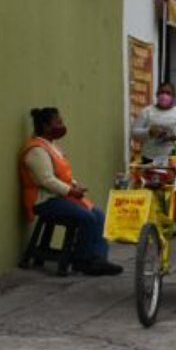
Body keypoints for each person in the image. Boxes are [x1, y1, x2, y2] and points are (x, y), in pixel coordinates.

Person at [19, 108, 122, 276]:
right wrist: (70, 191)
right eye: (57, 123)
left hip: (60, 197)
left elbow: (62, 175)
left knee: (99, 215)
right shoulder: (36, 150)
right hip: (44, 201)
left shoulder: (52, 147)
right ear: (45, 126)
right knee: (87, 218)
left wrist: (74, 185)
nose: (61, 126)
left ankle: (98, 259)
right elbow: (46, 180)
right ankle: (82, 261)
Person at [131, 82, 176, 164]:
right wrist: (149, 132)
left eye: (168, 93)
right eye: (161, 92)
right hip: (149, 157)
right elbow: (134, 133)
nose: (164, 96)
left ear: (173, 96)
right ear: (157, 95)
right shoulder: (147, 112)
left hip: (173, 158)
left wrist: (174, 137)